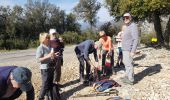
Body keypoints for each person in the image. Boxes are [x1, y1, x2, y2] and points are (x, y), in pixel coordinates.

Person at [36, 32, 59, 100]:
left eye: (49, 37)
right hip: (45, 69)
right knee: (45, 85)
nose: (49, 39)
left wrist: (54, 55)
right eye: (47, 38)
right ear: (43, 39)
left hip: (51, 68)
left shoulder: (49, 47)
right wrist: (48, 56)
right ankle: (40, 98)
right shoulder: (40, 48)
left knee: (50, 84)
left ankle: (49, 96)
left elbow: (50, 57)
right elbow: (38, 60)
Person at [120, 13, 139, 85]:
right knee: (126, 63)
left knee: (129, 64)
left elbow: (136, 39)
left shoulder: (133, 26)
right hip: (125, 49)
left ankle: (131, 80)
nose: (125, 19)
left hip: (129, 49)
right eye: (124, 18)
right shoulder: (127, 26)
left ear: (130, 18)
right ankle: (128, 76)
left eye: (127, 17)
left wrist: (133, 51)